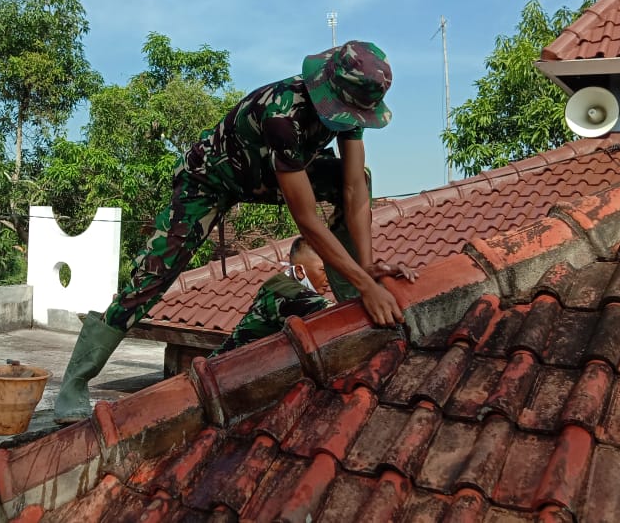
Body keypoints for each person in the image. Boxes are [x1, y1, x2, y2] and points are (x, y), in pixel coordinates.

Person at [55, 40, 404, 423]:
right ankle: (76, 380)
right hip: (210, 179)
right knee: (152, 276)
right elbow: (306, 220)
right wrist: (369, 286)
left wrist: (366, 270)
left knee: (355, 179)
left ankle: (350, 298)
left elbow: (354, 188)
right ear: (328, 91)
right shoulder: (282, 114)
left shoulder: (348, 112)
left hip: (264, 174)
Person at [211, 238, 417, 356]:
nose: (327, 277)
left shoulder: (288, 287)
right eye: (322, 270)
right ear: (300, 272)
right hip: (221, 367)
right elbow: (334, 314)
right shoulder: (283, 290)